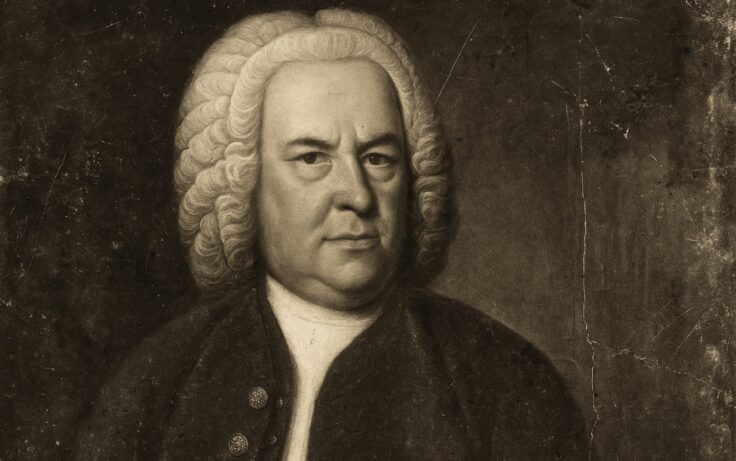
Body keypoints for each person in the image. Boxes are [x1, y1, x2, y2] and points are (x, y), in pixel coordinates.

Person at [74, 8, 589, 460]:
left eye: (378, 158)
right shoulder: (162, 378)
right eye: (312, 158)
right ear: (243, 182)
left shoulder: (503, 382)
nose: (358, 196)